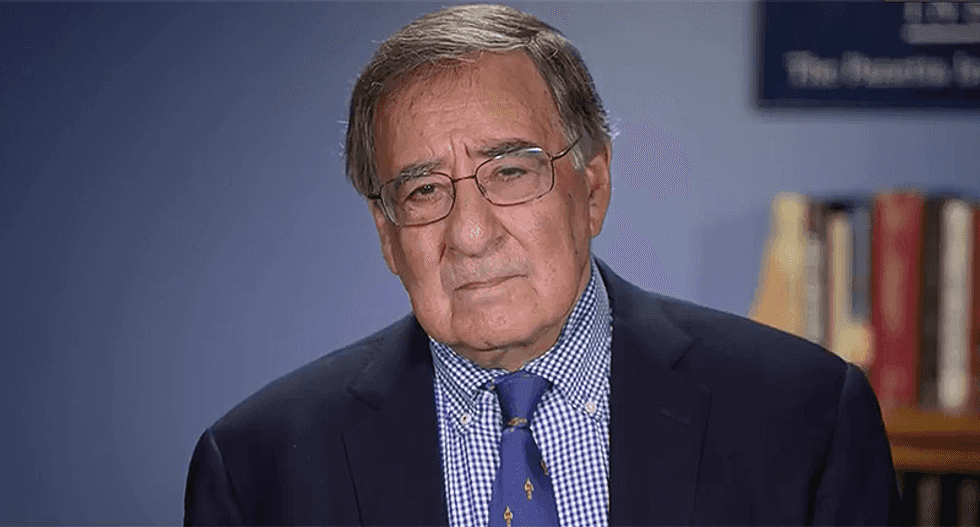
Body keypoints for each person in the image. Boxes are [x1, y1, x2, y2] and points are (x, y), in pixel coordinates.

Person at [184, 4, 901, 526]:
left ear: (592, 188)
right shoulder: (257, 469)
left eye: (510, 171)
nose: (470, 234)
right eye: (423, 190)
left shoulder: (806, 417)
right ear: (387, 234)